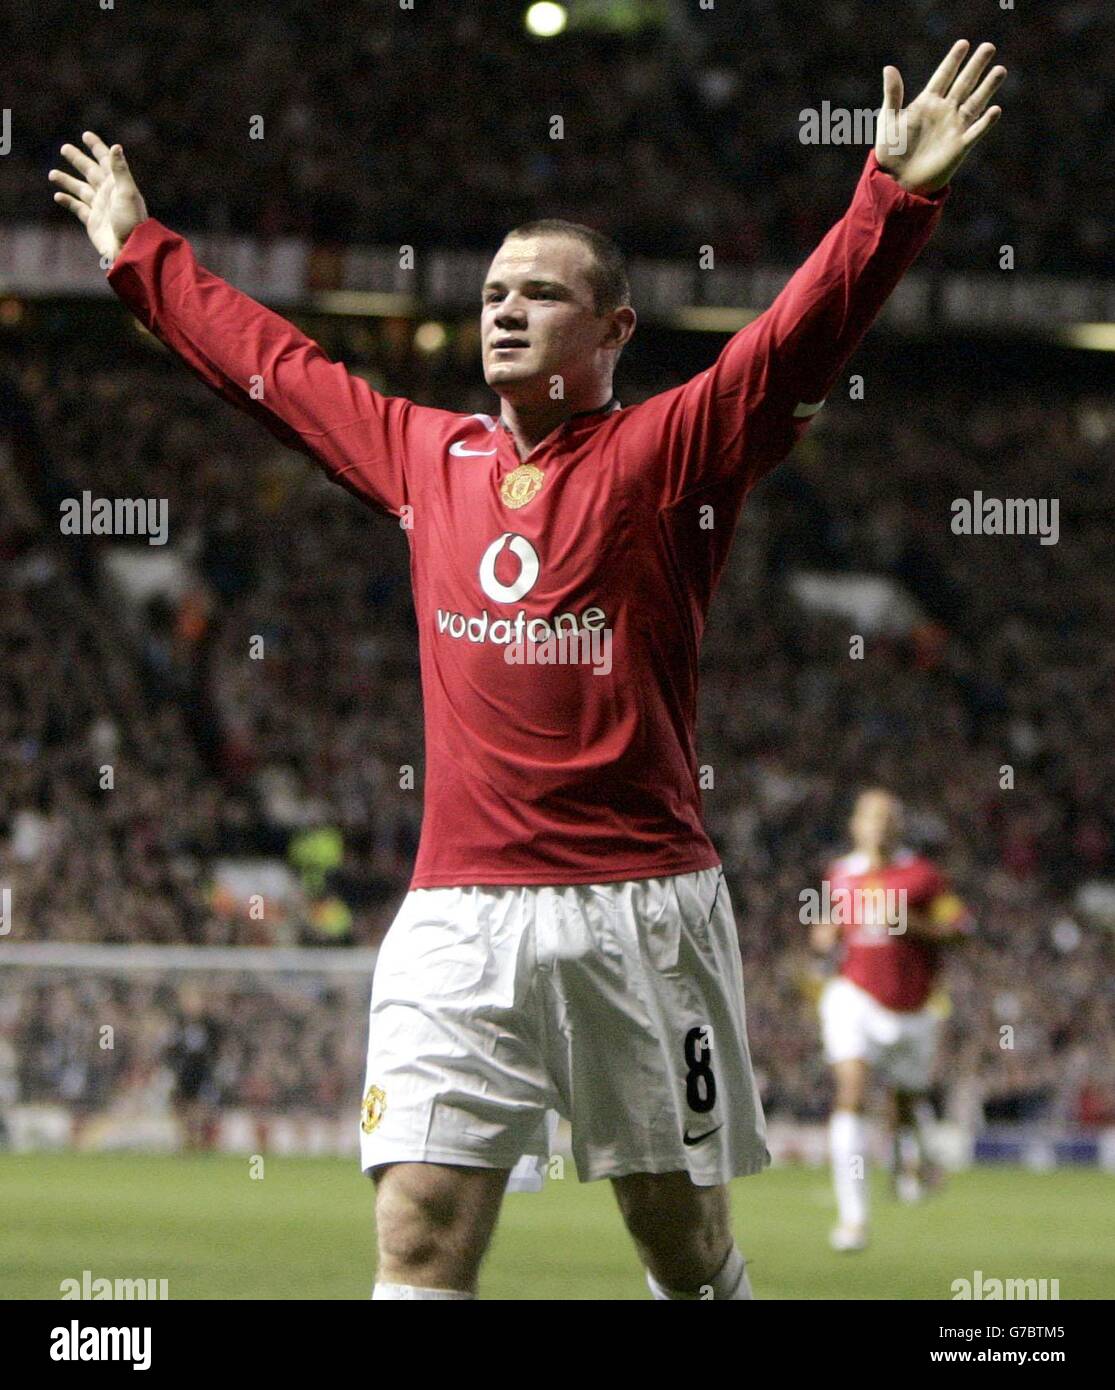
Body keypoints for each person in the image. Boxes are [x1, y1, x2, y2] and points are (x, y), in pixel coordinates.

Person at [50, 40, 1004, 1300]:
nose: (503, 307)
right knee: (420, 1239)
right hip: (456, 913)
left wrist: (887, 197)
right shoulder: (421, 454)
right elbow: (270, 368)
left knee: (679, 1242)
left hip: (638, 909)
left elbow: (789, 346)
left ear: (611, 329)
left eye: (539, 294)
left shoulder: (671, 452)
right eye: (496, 289)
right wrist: (138, 249)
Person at [811, 790, 974, 1252]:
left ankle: (912, 1164)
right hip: (854, 998)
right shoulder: (840, 875)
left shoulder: (923, 876)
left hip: (912, 1009)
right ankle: (853, 1219)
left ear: (900, 826)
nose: (879, 826)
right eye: (870, 817)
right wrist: (823, 936)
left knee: (903, 1106)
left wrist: (912, 924)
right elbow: (827, 926)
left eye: (888, 818)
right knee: (851, 1092)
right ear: (855, 825)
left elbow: (962, 930)